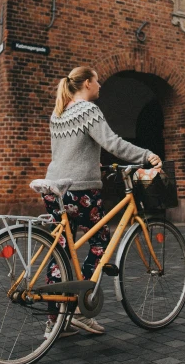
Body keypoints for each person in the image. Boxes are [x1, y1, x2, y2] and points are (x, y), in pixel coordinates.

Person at [43, 65, 161, 338]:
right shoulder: (88, 110)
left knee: (60, 251)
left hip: (55, 189)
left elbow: (63, 153)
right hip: (81, 190)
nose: (100, 86)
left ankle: (56, 320)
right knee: (99, 245)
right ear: (86, 83)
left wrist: (91, 162)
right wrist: (146, 155)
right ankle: (81, 311)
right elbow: (114, 143)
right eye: (97, 81)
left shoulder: (58, 112)